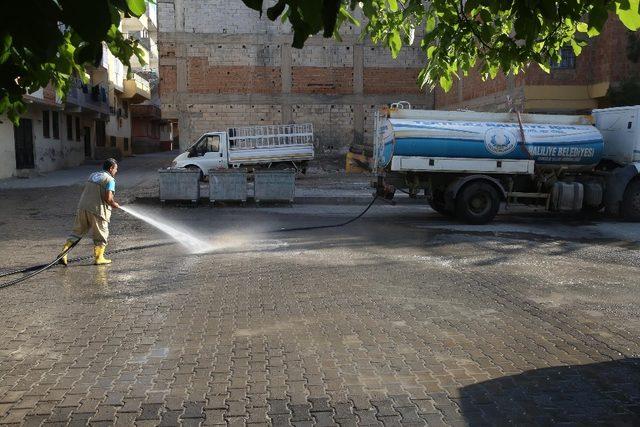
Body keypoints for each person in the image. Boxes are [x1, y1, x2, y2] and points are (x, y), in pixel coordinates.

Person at [59, 158, 120, 266]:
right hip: (97, 211)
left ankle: (63, 253)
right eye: (116, 169)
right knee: (101, 234)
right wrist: (114, 204)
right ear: (111, 168)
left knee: (77, 232)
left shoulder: (93, 175)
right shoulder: (110, 180)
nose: (116, 171)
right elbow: (108, 198)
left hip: (83, 207)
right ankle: (99, 258)